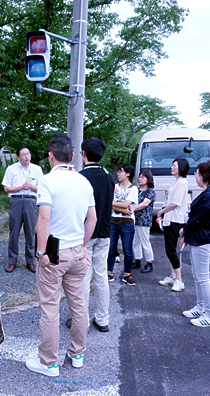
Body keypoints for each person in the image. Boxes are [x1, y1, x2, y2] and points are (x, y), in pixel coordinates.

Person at [26, 134, 96, 377]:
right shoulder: (84, 182)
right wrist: (83, 246)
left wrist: (41, 252)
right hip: (77, 251)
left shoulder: (47, 181)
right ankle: (77, 354)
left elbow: (43, 219)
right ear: (74, 157)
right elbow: (93, 219)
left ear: (50, 156)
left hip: (54, 253)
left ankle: (49, 362)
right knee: (79, 305)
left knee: (50, 307)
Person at [73, 137, 114, 332]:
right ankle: (103, 319)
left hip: (85, 234)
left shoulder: (80, 177)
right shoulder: (108, 176)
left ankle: (82, 320)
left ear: (83, 154)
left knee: (83, 277)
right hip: (105, 232)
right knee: (101, 276)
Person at [179, 160, 210, 327]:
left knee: (203, 278)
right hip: (199, 239)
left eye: (197, 173)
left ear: (205, 175)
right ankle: (201, 307)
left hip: (203, 240)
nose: (195, 177)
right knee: (198, 277)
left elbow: (197, 219)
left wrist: (183, 231)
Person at [2, 145, 43, 273]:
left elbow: (42, 189)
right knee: (14, 232)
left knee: (30, 232)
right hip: (16, 200)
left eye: (28, 153)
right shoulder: (11, 169)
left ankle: (30, 261)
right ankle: (12, 261)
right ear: (18, 157)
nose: (27, 156)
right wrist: (20, 187)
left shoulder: (37, 169)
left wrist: (31, 186)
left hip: (31, 201)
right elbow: (7, 188)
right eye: (24, 154)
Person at [156, 158, 189, 292]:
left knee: (171, 251)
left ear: (181, 167)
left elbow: (175, 203)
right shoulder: (176, 182)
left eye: (174, 165)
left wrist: (161, 212)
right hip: (169, 219)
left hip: (175, 220)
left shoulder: (182, 182)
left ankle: (179, 280)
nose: (171, 167)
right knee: (169, 250)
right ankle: (173, 277)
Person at [106, 164, 138, 285]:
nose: (118, 174)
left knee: (127, 250)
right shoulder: (114, 187)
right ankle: (109, 272)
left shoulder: (133, 189)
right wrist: (123, 209)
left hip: (127, 223)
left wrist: (119, 206)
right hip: (113, 221)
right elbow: (109, 202)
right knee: (111, 249)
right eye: (118, 171)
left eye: (121, 171)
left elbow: (126, 204)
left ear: (128, 174)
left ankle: (127, 274)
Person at [132, 170, 156, 274]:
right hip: (135, 219)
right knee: (135, 242)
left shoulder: (150, 191)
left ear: (148, 179)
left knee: (145, 242)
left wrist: (131, 209)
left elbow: (144, 204)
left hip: (144, 220)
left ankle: (149, 263)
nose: (140, 179)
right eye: (139, 177)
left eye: (143, 177)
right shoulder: (137, 190)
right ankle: (137, 260)